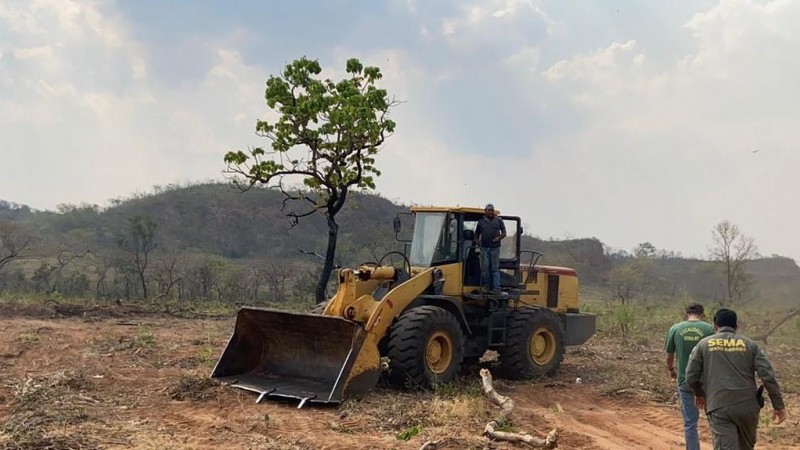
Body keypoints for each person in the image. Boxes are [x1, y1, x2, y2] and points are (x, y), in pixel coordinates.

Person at [685, 308, 787, 450]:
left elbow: (691, 375)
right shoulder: (750, 345)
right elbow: (767, 375)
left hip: (719, 405)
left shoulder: (704, 345)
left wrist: (699, 393)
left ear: (715, 326)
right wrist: (778, 404)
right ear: (736, 326)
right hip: (748, 407)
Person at [665, 302, 715, 450]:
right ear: (703, 314)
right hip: (707, 382)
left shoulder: (675, 328)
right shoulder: (709, 329)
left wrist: (671, 370)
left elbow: (669, 356)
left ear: (686, 313)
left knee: (690, 423)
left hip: (685, 381)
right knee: (715, 421)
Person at [474, 203, 506, 294]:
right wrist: (477, 241)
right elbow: (476, 235)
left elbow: (504, 232)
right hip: (484, 248)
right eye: (489, 210)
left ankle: (496, 288)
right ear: (485, 211)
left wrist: (498, 238)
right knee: (484, 268)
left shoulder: (498, 221)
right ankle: (488, 286)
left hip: (494, 248)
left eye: (492, 210)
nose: (491, 212)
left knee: (495, 268)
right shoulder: (481, 222)